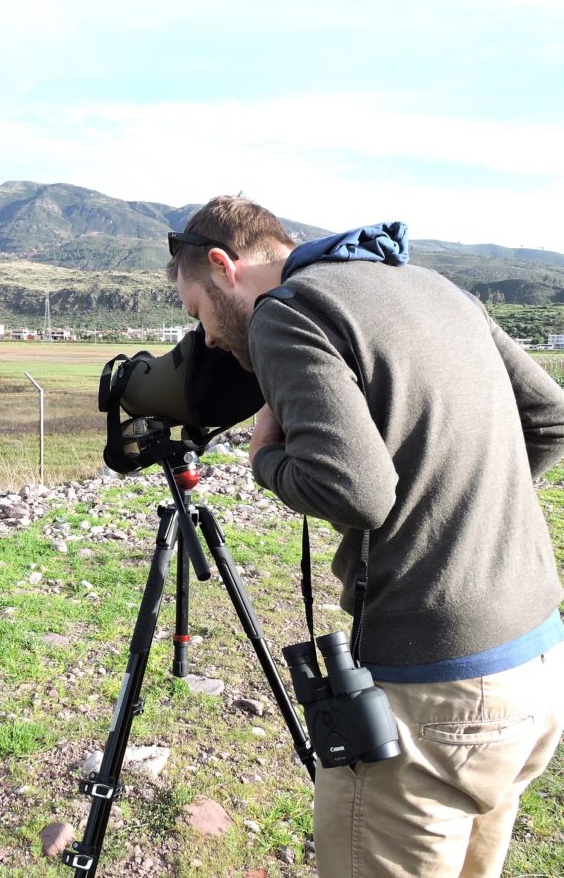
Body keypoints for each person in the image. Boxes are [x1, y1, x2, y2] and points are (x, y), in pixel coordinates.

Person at [166, 195, 564, 878]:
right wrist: (459, 516)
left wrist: (265, 457)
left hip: (433, 696)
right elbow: (550, 416)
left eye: (197, 312)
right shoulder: (430, 283)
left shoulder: (286, 312)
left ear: (225, 266)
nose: (204, 338)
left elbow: (355, 490)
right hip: (536, 665)